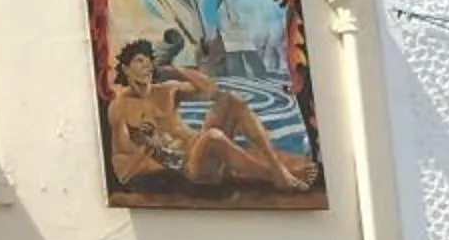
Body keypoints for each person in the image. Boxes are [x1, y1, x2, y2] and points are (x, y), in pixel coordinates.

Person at [104, 36, 320, 197]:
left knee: (231, 101)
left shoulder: (167, 90)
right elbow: (122, 165)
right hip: (187, 167)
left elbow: (209, 88)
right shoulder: (120, 107)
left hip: (199, 148)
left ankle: (278, 168)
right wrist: (148, 148)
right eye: (139, 61)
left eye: (148, 60)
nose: (146, 66)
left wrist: (174, 69)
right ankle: (277, 177)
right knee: (213, 137)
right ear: (125, 68)